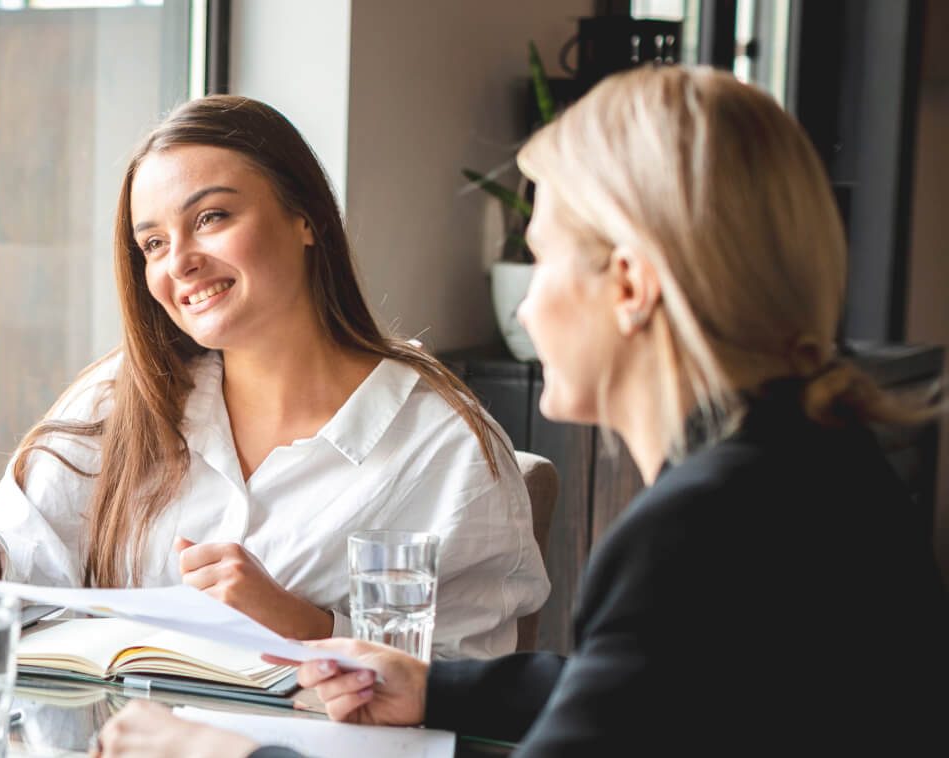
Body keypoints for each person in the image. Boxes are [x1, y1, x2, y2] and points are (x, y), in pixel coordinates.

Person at [94, 66, 949, 756]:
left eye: (541, 265)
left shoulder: (697, 533)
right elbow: (646, 686)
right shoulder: (814, 465)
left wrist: (218, 754)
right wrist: (432, 686)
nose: (528, 311)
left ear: (628, 287)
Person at [0, 95, 549, 659]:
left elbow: (471, 689)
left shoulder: (444, 449)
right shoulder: (119, 399)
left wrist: (305, 627)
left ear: (306, 219)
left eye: (210, 217)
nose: (179, 261)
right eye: (153, 243)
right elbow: (30, 566)